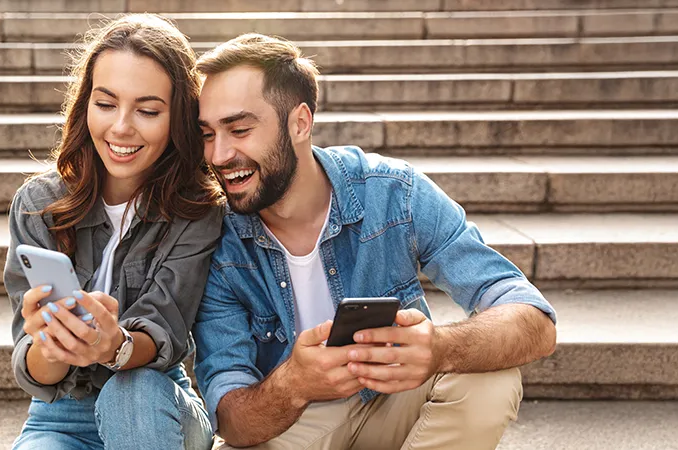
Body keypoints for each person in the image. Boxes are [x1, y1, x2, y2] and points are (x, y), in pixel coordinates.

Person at [192, 34, 558, 450]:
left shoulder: (392, 192)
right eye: (207, 134)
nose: (219, 155)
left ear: (300, 123)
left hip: (396, 402)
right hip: (298, 421)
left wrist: (439, 347)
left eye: (239, 129)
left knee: (491, 377)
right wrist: (293, 383)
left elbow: (534, 321)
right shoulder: (216, 241)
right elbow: (231, 420)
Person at [3, 14, 223, 450]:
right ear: (85, 105)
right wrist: (51, 347)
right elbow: (32, 370)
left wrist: (113, 346)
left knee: (131, 391)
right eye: (105, 104)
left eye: (147, 110)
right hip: (63, 413)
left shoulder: (197, 213)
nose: (122, 126)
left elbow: (165, 332)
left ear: (178, 117)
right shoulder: (37, 204)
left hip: (156, 400)